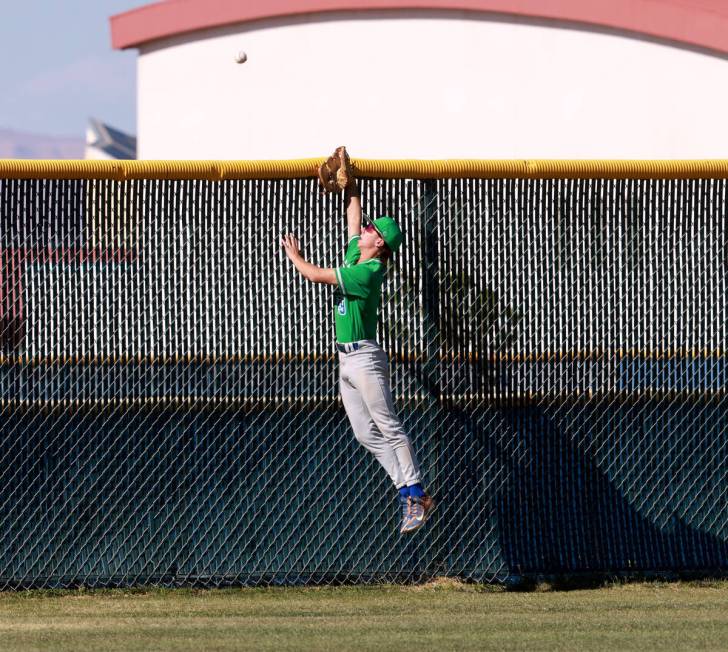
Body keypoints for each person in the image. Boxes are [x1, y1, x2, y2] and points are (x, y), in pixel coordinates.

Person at [280, 150, 435, 534]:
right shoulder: (357, 252)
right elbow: (354, 216)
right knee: (365, 433)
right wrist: (352, 186)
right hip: (345, 360)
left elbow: (315, 276)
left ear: (380, 245)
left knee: (388, 425)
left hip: (365, 358)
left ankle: (416, 494)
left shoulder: (368, 272)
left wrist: (296, 257)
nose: (366, 230)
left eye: (373, 230)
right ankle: (406, 491)